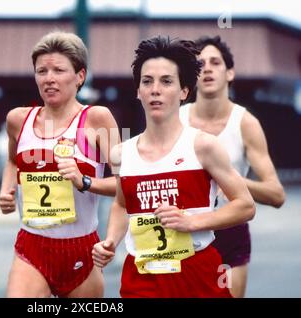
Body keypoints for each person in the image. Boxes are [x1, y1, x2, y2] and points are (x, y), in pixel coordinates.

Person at [92, 36, 256, 298]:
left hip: (197, 274)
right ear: (138, 91)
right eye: (147, 81)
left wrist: (192, 221)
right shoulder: (122, 153)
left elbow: (246, 206)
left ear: (184, 92)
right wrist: (111, 240)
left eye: (166, 81)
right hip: (141, 276)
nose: (155, 89)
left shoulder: (203, 146)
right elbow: (123, 205)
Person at [0, 31, 120, 298]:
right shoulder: (18, 120)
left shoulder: (97, 119)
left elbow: (127, 183)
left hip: (81, 251)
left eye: (59, 70)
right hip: (32, 248)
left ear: (80, 76)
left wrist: (85, 181)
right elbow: (11, 160)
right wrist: (7, 189)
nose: (49, 78)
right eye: (41, 71)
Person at [179, 35, 285, 298]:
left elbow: (276, 194)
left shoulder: (245, 123)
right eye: (200, 63)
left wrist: (229, 178)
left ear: (230, 73)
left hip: (229, 229)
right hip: (181, 229)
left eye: (215, 62)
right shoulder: (176, 118)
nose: (207, 69)